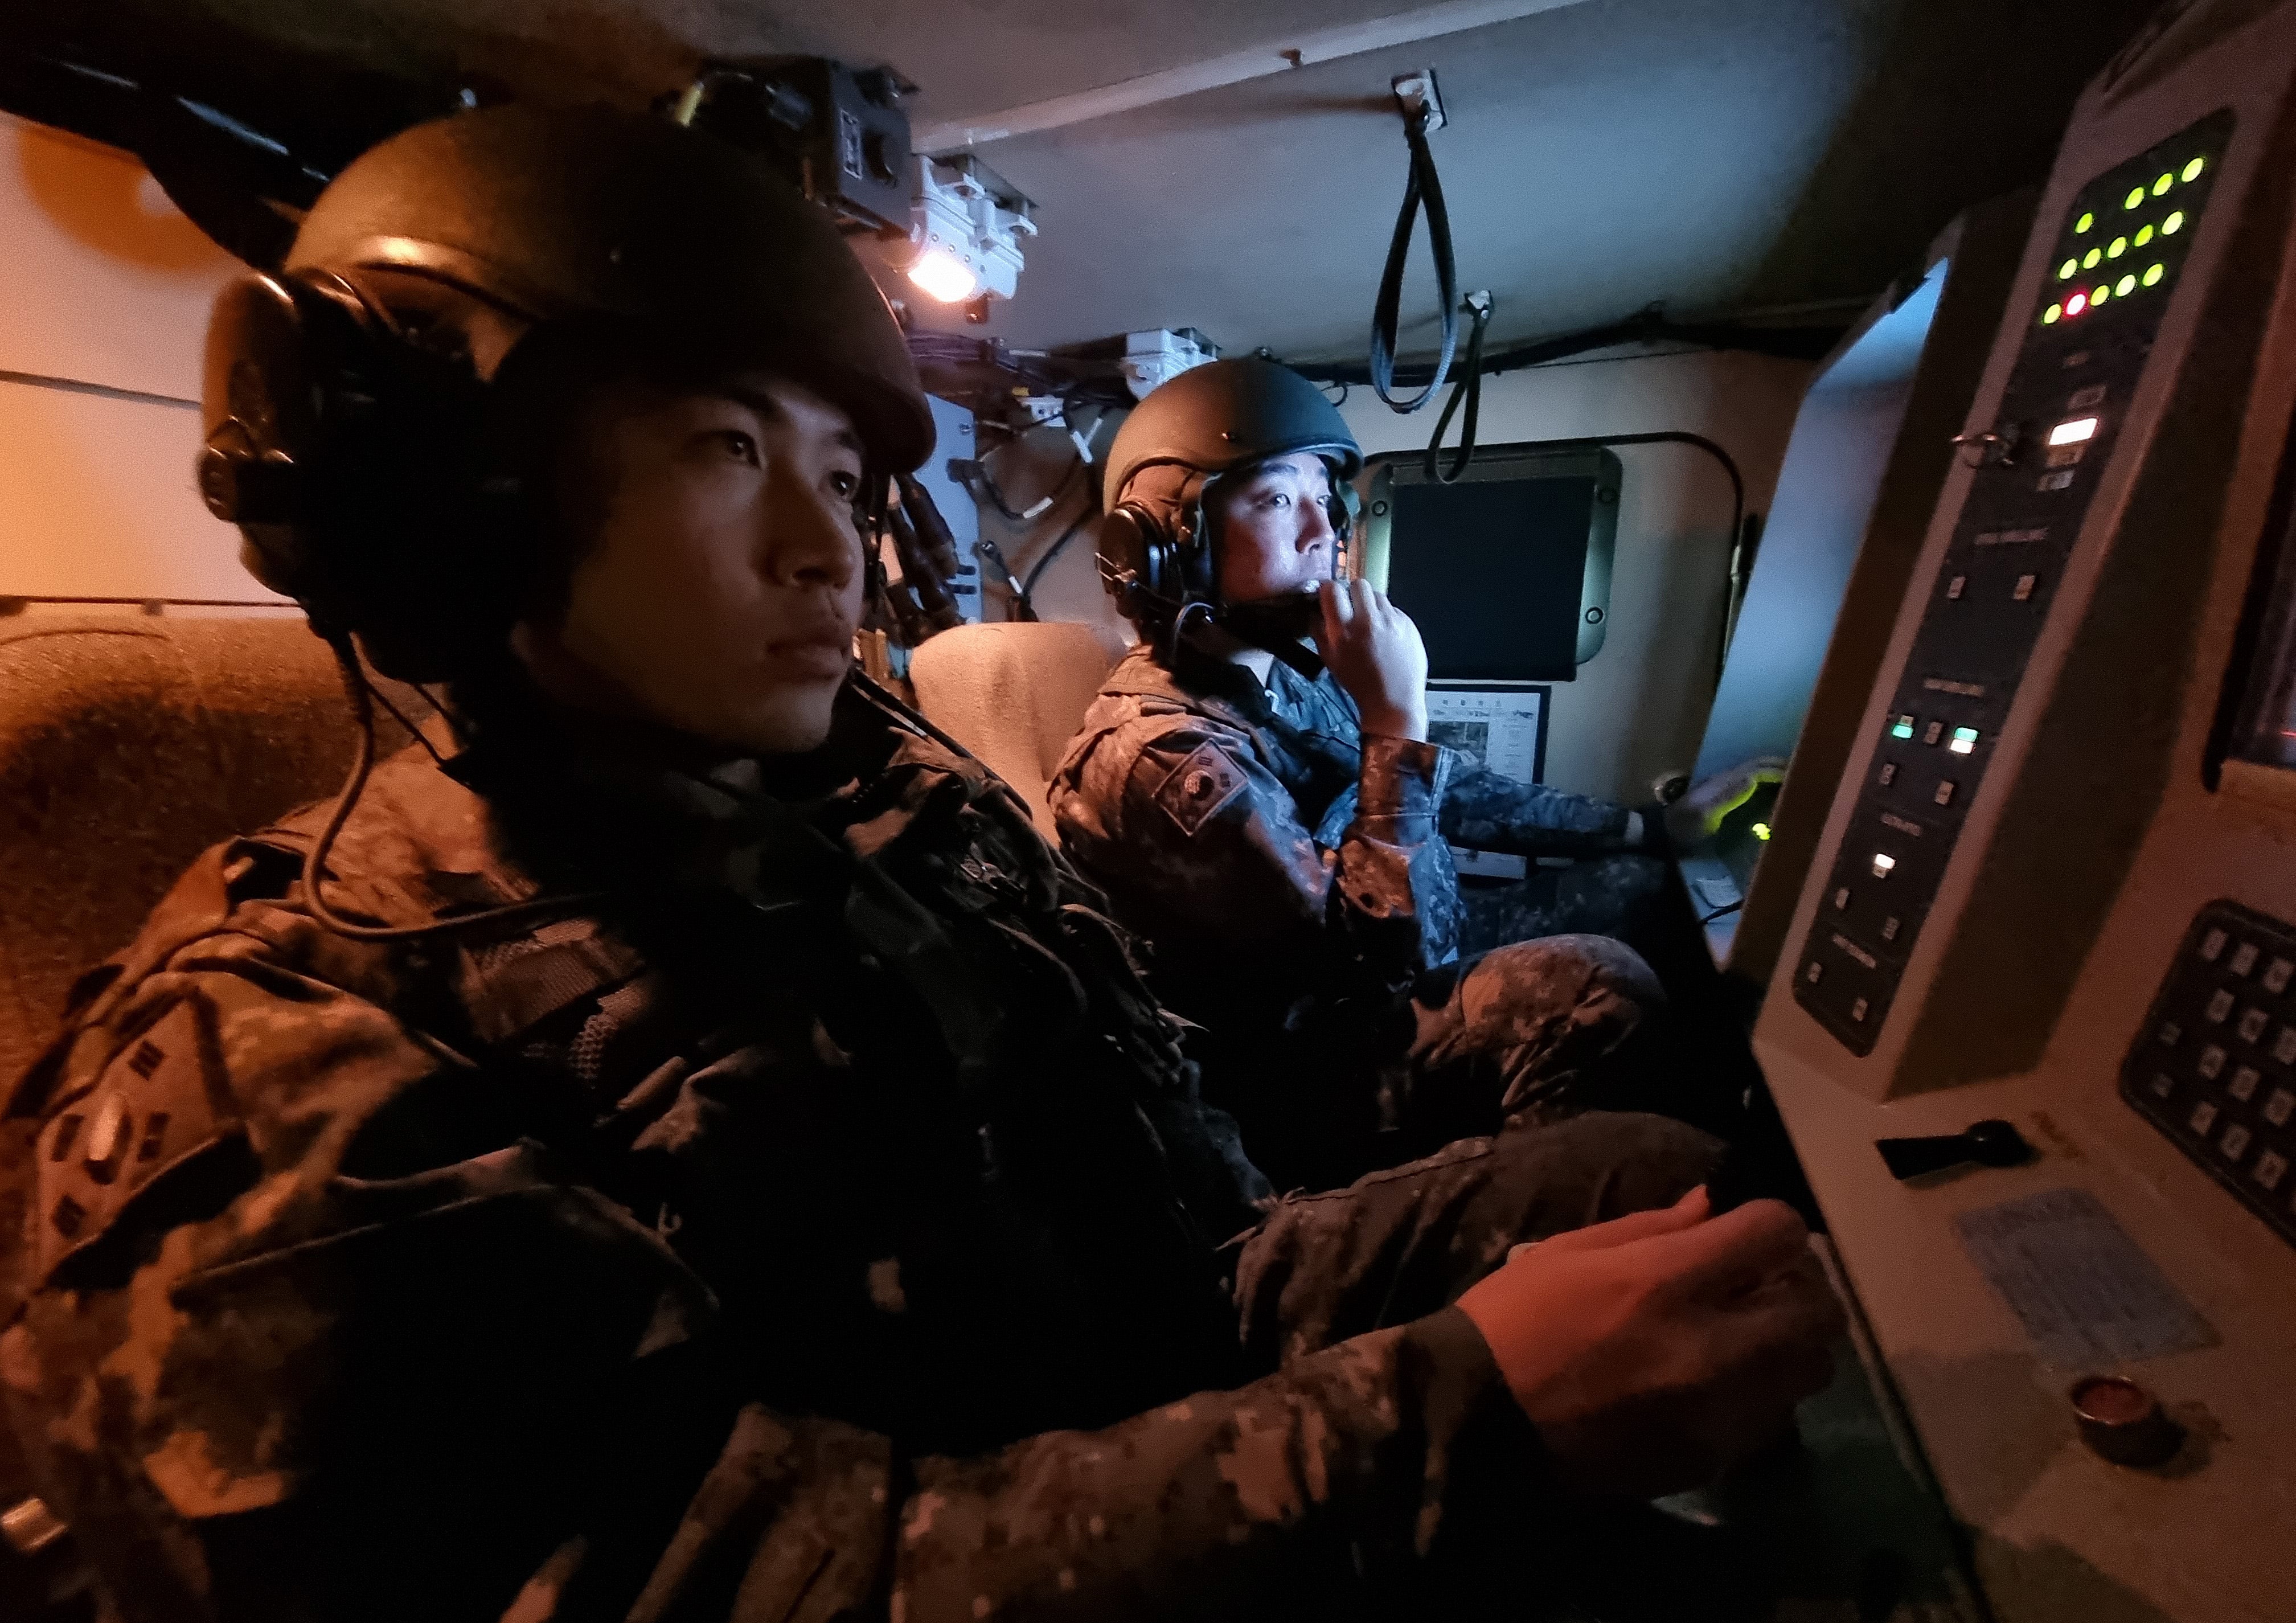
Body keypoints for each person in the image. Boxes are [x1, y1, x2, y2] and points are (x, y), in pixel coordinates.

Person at [0, 104, 1839, 1623]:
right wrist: (1448, 1411)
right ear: (447, 499)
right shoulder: (282, 1062)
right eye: (730, 451)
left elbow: (1177, 1227)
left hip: (1144, 1342)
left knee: (1649, 1186)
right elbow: (715, 1575)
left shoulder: (884, 794)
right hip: (942, 1520)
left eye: (843, 475)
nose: (836, 556)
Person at [1050, 359, 1780, 1186]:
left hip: (1364, 978)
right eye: (1277, 498)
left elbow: (1452, 790)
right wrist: (1395, 723)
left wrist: (1650, 827)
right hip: (1296, 1071)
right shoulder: (1163, 758)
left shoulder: (1285, 674)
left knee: (1647, 889)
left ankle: (1726, 1154)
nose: (1322, 531)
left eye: (1327, 500)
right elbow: (1393, 967)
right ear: (1163, 546)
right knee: (1589, 992)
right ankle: (1549, 1245)